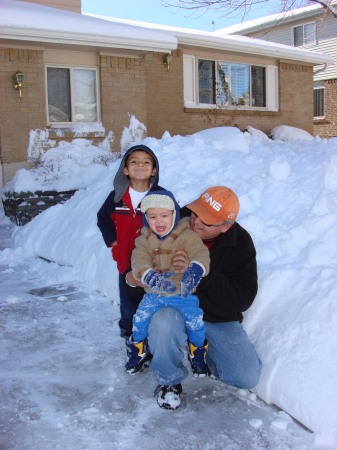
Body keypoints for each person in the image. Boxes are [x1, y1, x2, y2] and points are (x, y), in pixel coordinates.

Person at [145, 186, 262, 410]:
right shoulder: (171, 225)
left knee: (246, 377)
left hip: (216, 317)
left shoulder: (240, 244)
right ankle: (169, 381)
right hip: (175, 308)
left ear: (226, 227)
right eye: (196, 212)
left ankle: (202, 351)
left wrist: (200, 273)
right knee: (163, 323)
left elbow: (242, 299)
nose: (196, 222)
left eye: (206, 221)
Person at [125, 190, 210, 380]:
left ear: (174, 215)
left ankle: (197, 352)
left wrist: (195, 269)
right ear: (146, 218)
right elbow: (138, 260)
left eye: (164, 215)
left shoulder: (187, 236)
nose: (159, 221)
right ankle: (138, 348)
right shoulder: (144, 239)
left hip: (183, 293)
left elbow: (200, 253)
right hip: (154, 293)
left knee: (196, 323)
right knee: (139, 320)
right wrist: (147, 275)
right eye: (153, 216)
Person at [97, 145, 165, 354]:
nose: (140, 165)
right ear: (125, 169)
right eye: (134, 161)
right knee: (129, 305)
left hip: (153, 264)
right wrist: (115, 243)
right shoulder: (116, 197)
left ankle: (154, 340)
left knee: (153, 303)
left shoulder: (161, 197)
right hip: (126, 264)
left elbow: (174, 223)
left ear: (154, 170)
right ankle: (133, 341)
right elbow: (103, 220)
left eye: (146, 162)